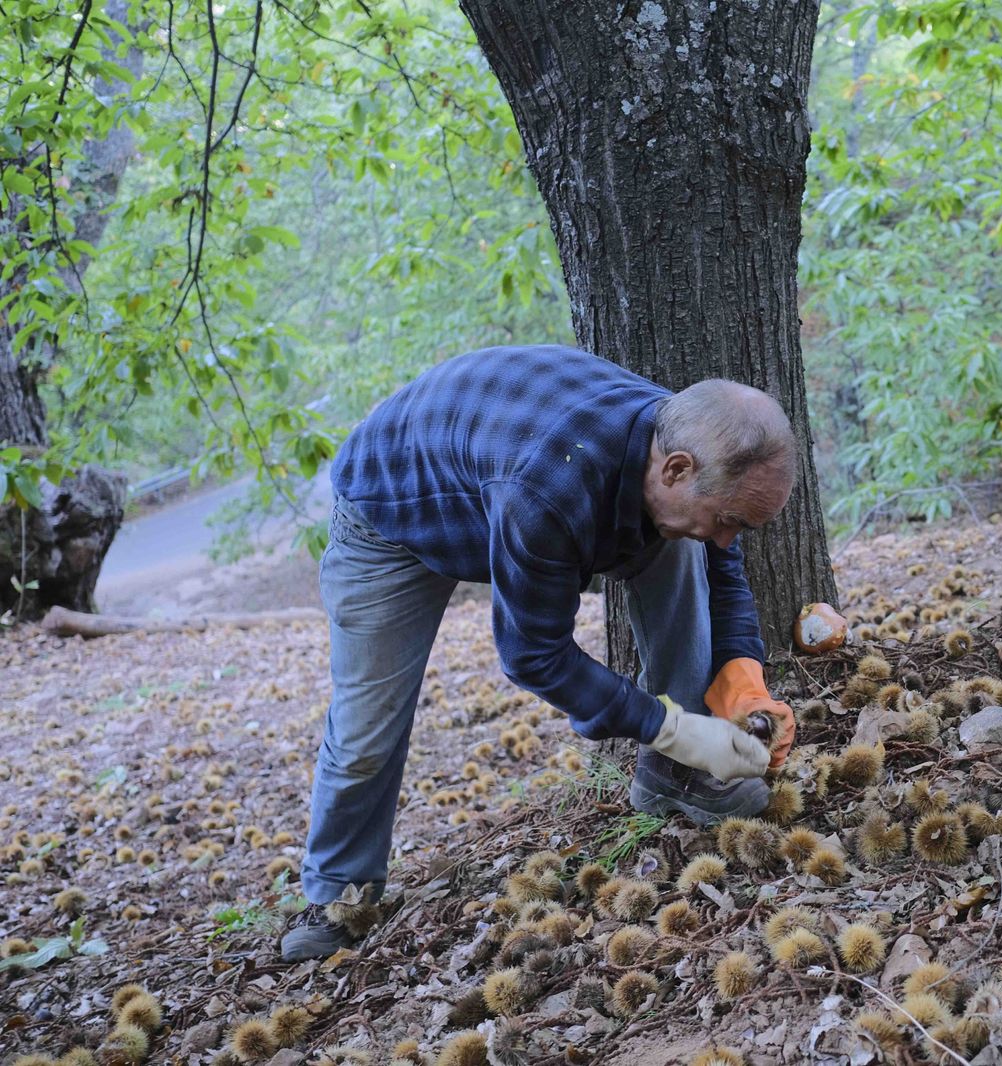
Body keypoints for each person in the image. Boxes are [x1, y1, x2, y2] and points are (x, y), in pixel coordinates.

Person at [279, 344, 798, 961]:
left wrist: (743, 677)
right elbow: (535, 654)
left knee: (688, 546)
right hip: (395, 516)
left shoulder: (691, 445)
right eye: (728, 519)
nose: (728, 537)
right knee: (366, 729)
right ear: (676, 469)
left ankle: (672, 779)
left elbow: (724, 571)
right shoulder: (549, 484)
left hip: (502, 477)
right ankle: (339, 893)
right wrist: (675, 727)